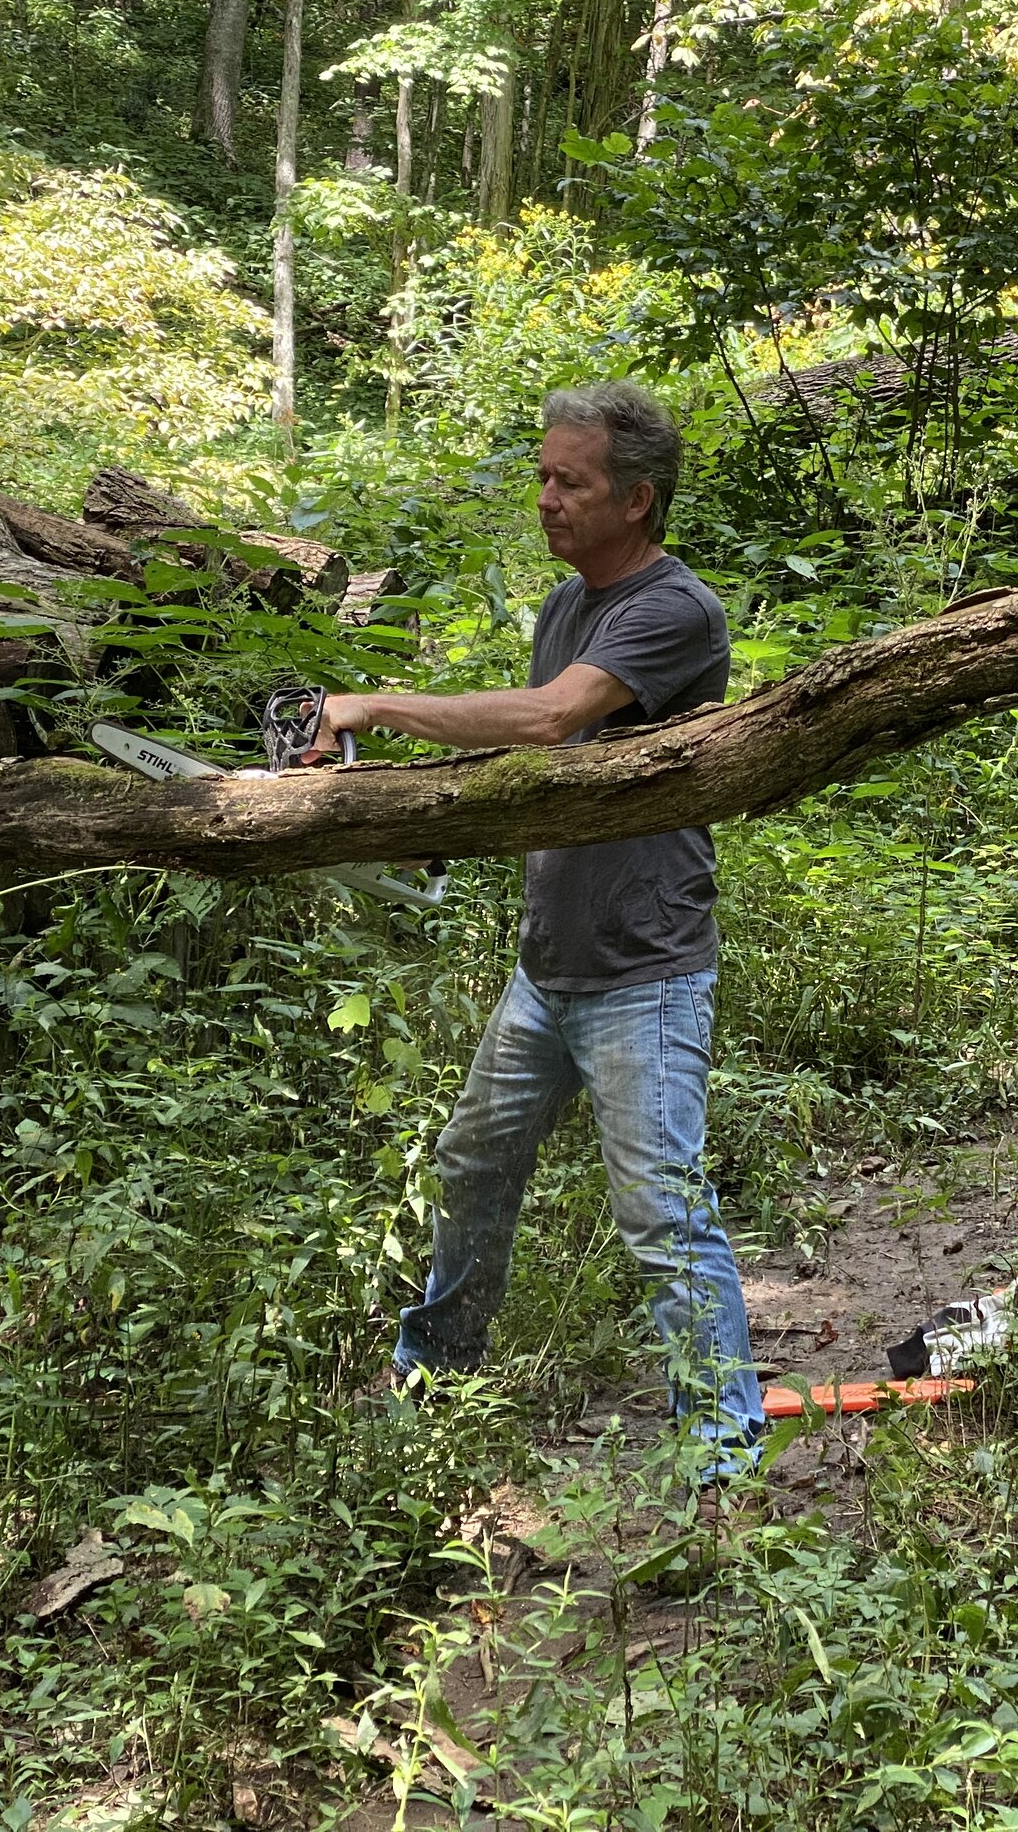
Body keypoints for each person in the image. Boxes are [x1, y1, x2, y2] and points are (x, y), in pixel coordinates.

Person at [314, 380, 766, 1464]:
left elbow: (552, 715)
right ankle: (434, 1380)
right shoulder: (565, 606)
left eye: (572, 482)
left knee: (661, 1213)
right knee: (473, 1165)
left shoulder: (672, 609)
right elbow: (536, 764)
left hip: (644, 969)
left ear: (638, 501)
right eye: (544, 478)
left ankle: (724, 1449)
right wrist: (428, 820)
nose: (548, 499)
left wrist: (373, 705)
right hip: (549, 967)